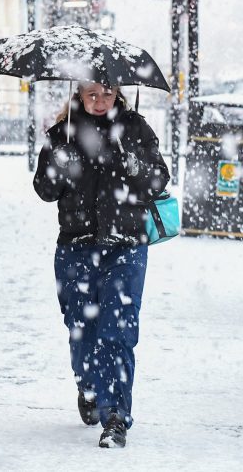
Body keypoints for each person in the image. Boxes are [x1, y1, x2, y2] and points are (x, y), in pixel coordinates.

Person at [34, 81, 170, 448]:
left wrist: (133, 163)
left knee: (118, 331)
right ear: (78, 94)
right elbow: (44, 192)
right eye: (91, 94)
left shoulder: (136, 129)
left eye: (106, 94)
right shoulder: (62, 134)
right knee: (82, 331)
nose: (99, 101)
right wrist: (58, 165)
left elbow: (158, 181)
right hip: (76, 249)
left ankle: (116, 417)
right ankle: (89, 386)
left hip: (126, 248)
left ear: (118, 95)